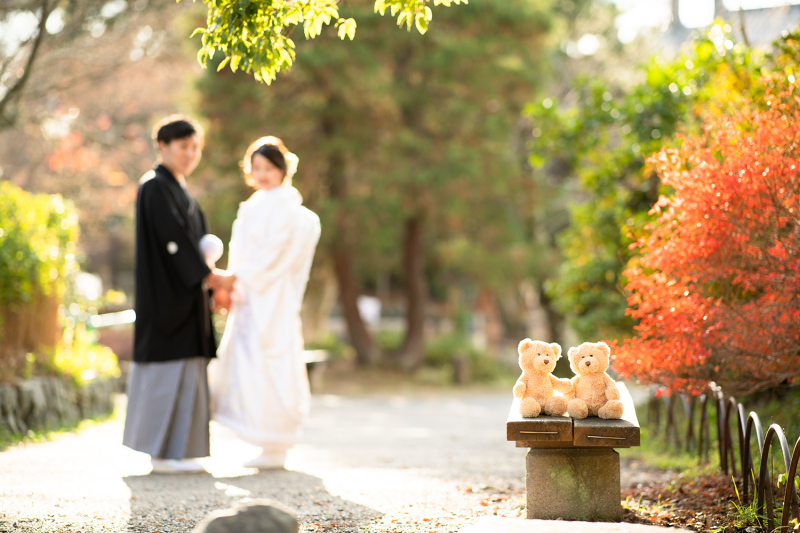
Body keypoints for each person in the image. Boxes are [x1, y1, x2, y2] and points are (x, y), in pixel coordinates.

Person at [208, 136, 320, 469]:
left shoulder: (288, 207)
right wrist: (232, 281)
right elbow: (245, 250)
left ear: (283, 169)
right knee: (250, 361)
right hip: (250, 295)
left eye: (269, 168)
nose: (262, 174)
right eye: (256, 168)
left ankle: (277, 441)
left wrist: (235, 276)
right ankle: (262, 437)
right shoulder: (255, 204)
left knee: (274, 358)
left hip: (272, 296)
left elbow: (275, 253)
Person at [123, 115, 220, 474]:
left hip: (186, 297)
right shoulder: (154, 186)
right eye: (183, 147)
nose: (190, 154)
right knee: (166, 375)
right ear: (162, 146)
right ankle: (160, 454)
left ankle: (179, 451)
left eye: (195, 147)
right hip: (165, 299)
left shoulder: (181, 189)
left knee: (188, 375)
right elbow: (175, 242)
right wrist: (208, 276)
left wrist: (206, 280)